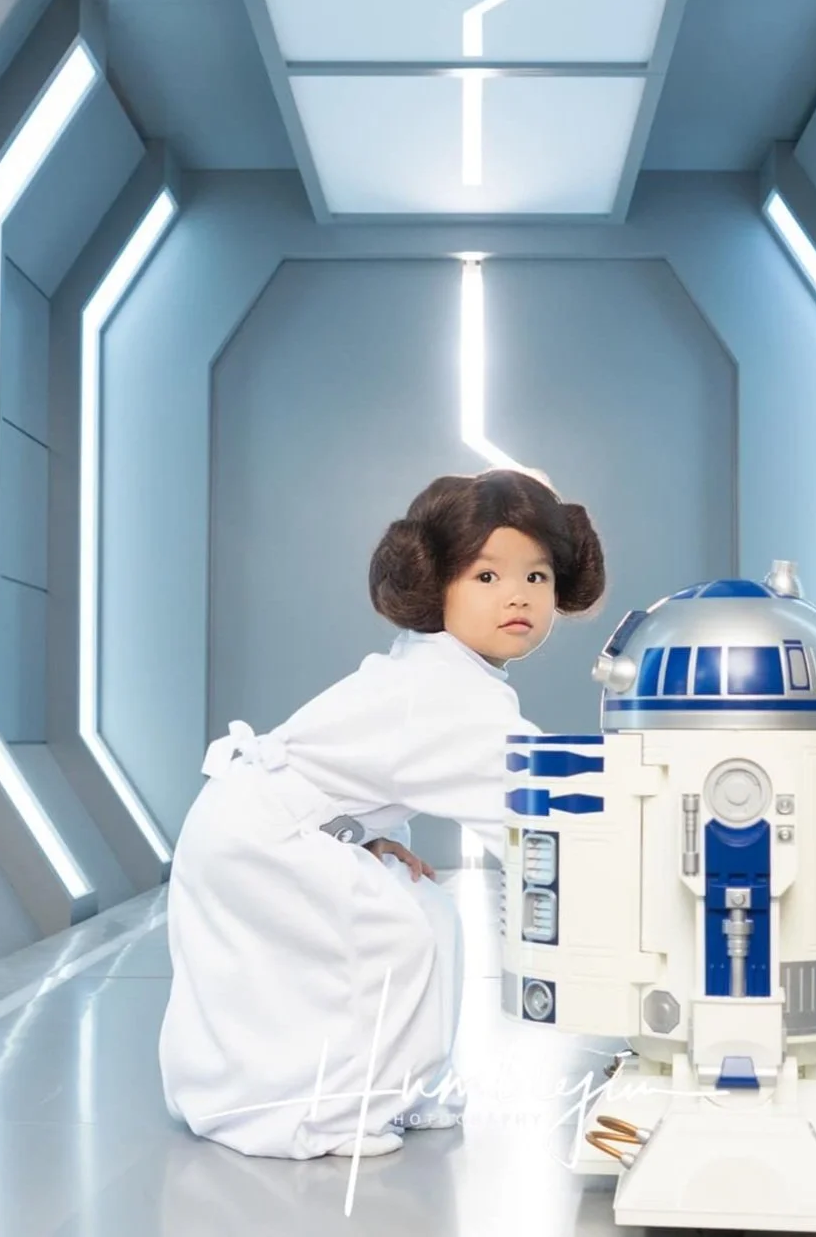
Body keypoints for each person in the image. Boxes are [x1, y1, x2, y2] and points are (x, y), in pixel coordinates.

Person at [159, 468, 606, 1160]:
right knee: (394, 938)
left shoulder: (444, 671)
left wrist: (366, 835)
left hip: (271, 820)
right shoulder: (449, 689)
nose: (517, 595)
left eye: (538, 577)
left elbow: (377, 764)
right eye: (486, 577)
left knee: (427, 918)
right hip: (261, 835)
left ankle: (399, 1091)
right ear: (439, 584)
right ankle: (318, 1112)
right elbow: (532, 801)